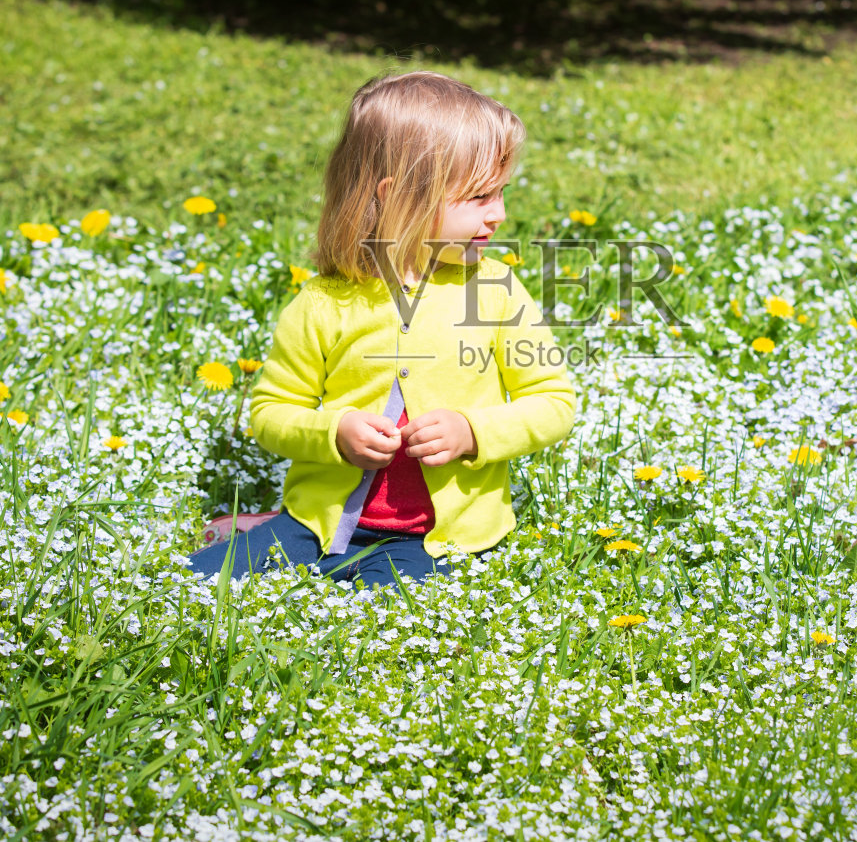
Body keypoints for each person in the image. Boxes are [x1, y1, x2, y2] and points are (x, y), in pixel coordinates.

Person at [188, 71, 579, 587]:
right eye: (480, 196)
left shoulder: (496, 290)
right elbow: (271, 413)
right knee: (195, 580)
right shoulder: (324, 301)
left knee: (380, 610)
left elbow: (554, 402)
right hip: (316, 525)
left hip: (435, 538)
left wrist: (472, 432)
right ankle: (268, 529)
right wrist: (334, 433)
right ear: (398, 198)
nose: (500, 214)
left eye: (501, 193)